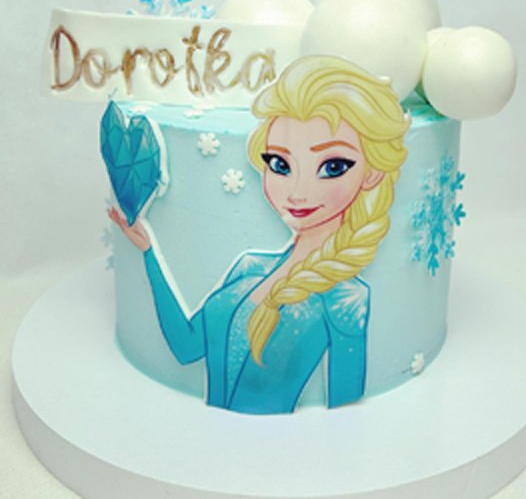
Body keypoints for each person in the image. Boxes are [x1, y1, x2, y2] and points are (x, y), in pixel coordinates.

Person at [109, 55, 408, 414]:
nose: (297, 192)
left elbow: (345, 409)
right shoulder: (249, 267)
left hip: (276, 445)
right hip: (201, 435)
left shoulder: (345, 298)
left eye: (332, 167)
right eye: (280, 165)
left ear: (371, 173)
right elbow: (186, 347)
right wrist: (149, 253)